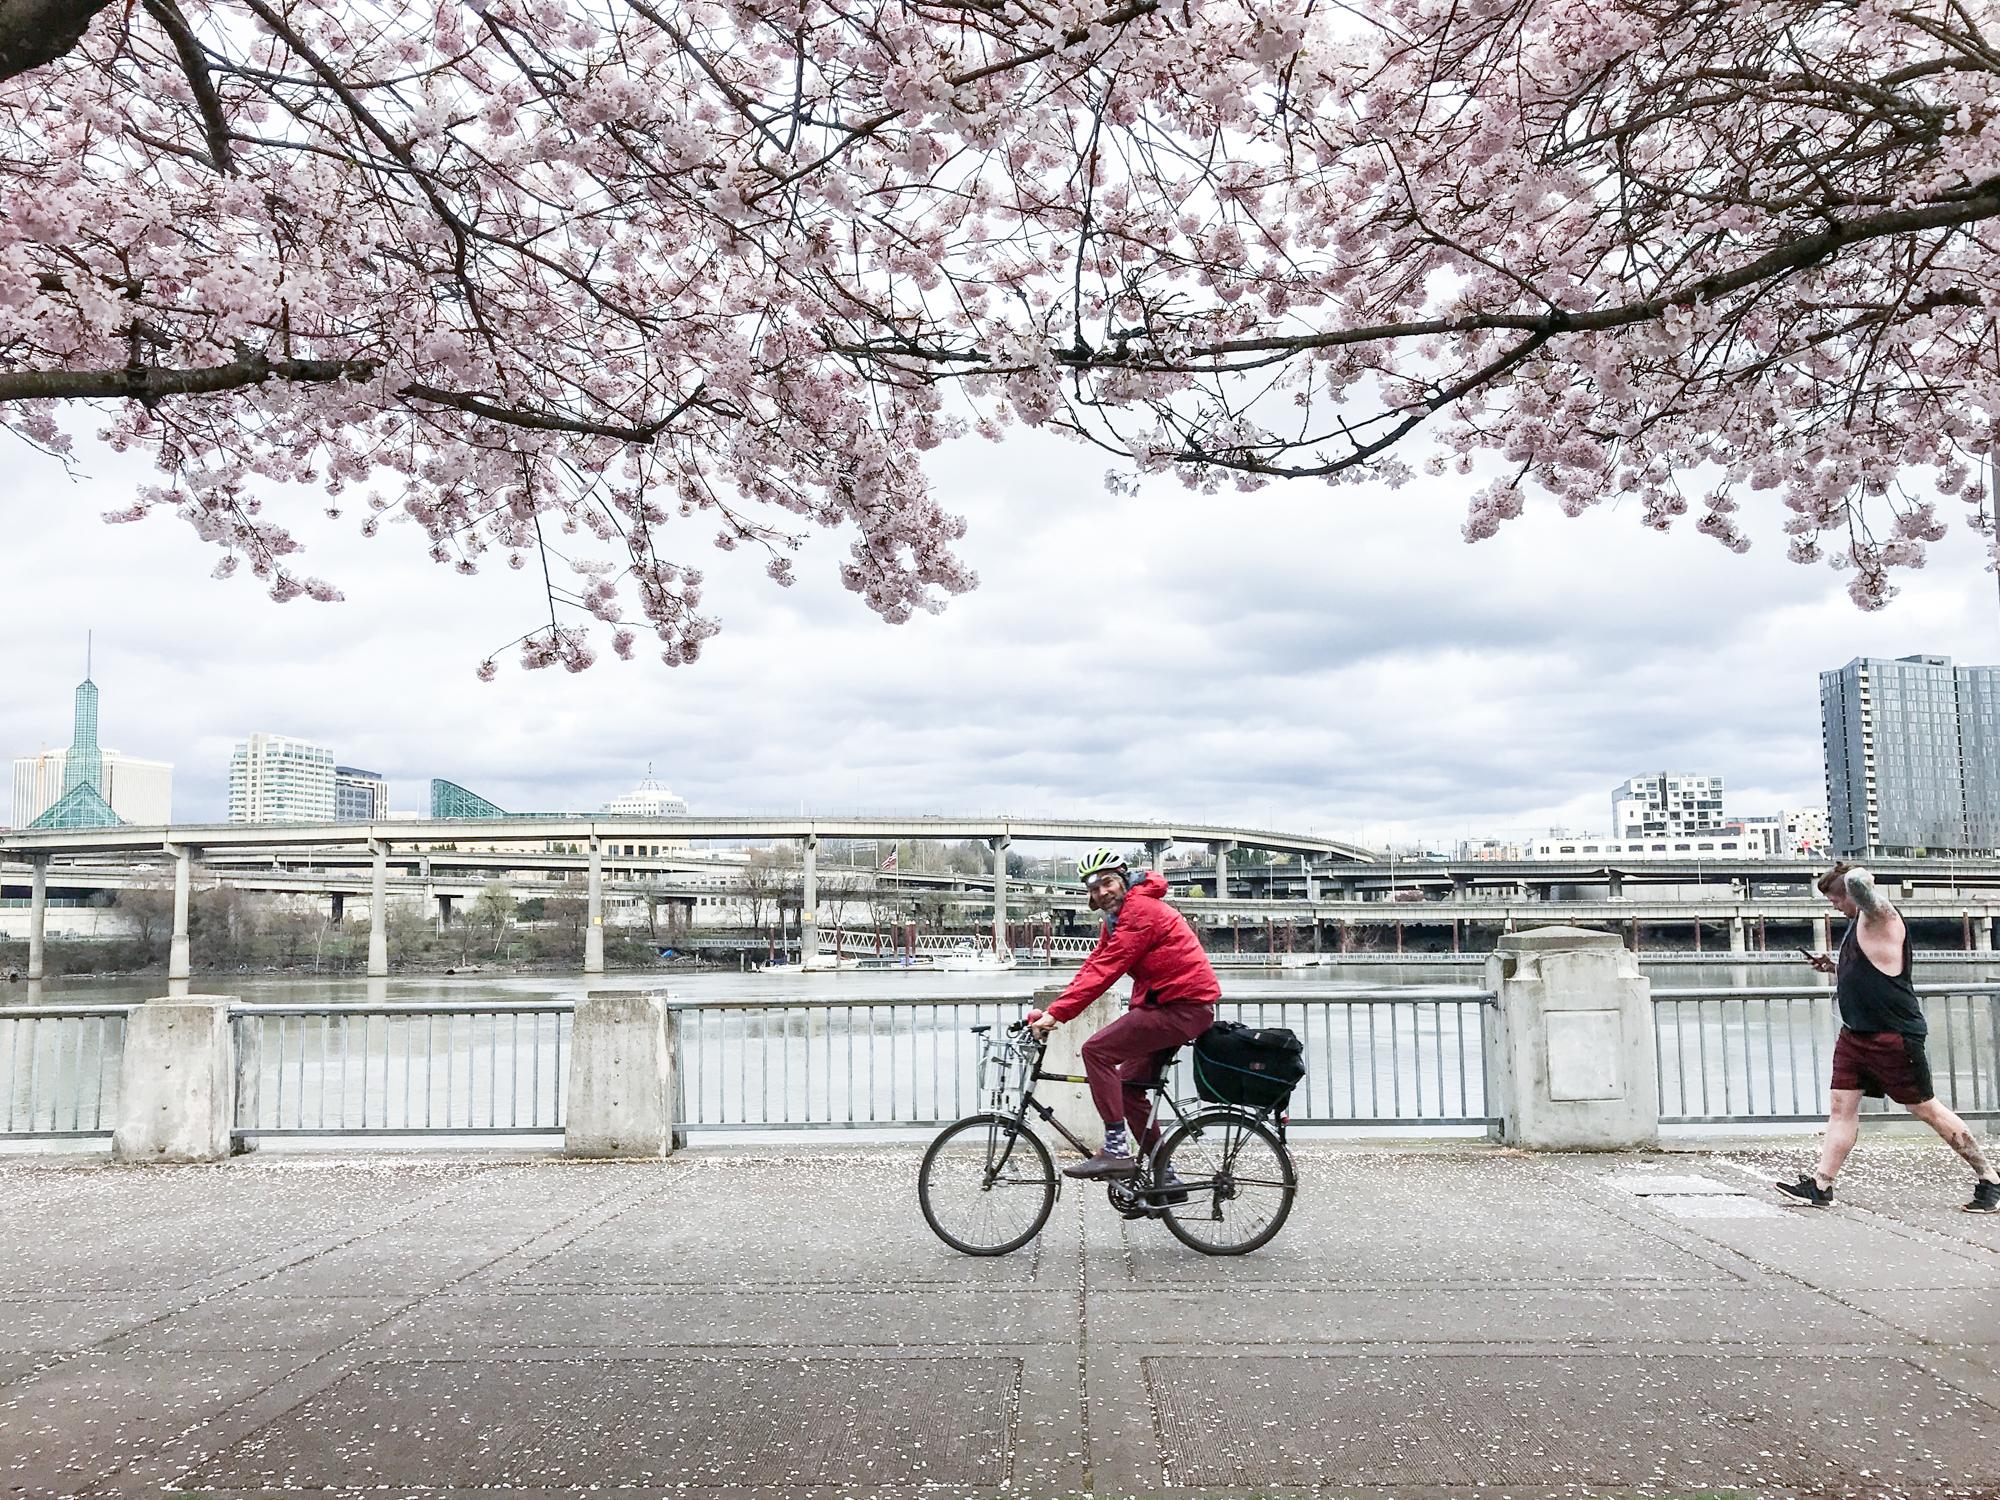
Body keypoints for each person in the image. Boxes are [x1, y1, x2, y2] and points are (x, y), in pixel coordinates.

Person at [1777, 861, 2000, 1213]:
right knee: (1841, 1108)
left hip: (1894, 1035)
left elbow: (1860, 883)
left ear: (1850, 895)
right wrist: (1834, 966)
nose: (1833, 906)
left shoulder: (1881, 916)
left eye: (1836, 899)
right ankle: (1822, 1186)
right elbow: (1872, 970)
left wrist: (1851, 876)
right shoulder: (1855, 926)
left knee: (1924, 1107)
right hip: (1855, 1035)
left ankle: (1990, 1179)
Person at [1025, 848, 1220, 1180]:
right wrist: (1054, 1009)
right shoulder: (1117, 920)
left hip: (1181, 1007)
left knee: (1096, 1051)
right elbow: (1093, 967)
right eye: (1093, 887)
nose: (1102, 892)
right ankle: (1165, 1176)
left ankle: (1116, 1149)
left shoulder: (1140, 911)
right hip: (1170, 1006)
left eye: (1107, 882)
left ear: (1124, 879)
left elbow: (1106, 972)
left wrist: (1057, 1015)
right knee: (1129, 1086)